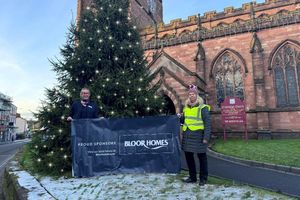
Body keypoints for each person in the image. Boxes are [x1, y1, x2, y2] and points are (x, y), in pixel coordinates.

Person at [180, 84, 211, 186]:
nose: (191, 95)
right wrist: (180, 117)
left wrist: (206, 137)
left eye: (193, 94)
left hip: (199, 135)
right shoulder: (186, 108)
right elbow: (184, 121)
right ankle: (192, 177)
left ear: (197, 95)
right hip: (187, 135)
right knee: (189, 157)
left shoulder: (203, 108)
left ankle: (203, 178)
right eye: (190, 94)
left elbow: (207, 123)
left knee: (202, 157)